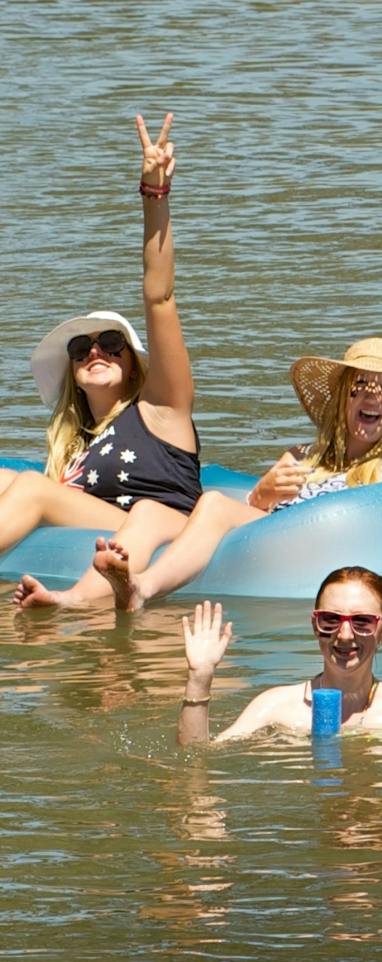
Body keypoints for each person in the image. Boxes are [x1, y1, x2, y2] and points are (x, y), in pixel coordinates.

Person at [23, 234, 382, 611]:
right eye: (360, 385)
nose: (371, 396)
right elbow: (248, 512)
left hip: (338, 548)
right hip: (267, 537)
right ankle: (132, 591)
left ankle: (142, 589)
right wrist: (263, 490)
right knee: (211, 505)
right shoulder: (309, 461)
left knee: (199, 510)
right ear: (341, 399)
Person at [6, 114, 198, 600]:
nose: (96, 351)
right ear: (72, 370)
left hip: (159, 528)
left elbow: (160, 298)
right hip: (97, 526)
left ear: (133, 361)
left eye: (112, 344)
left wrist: (155, 196)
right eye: (81, 348)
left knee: (28, 488)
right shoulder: (76, 444)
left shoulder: (159, 411)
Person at [177, 565, 382, 744]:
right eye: (330, 619)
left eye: (362, 621)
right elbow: (197, 762)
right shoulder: (275, 707)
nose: (345, 634)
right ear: (315, 625)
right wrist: (199, 679)